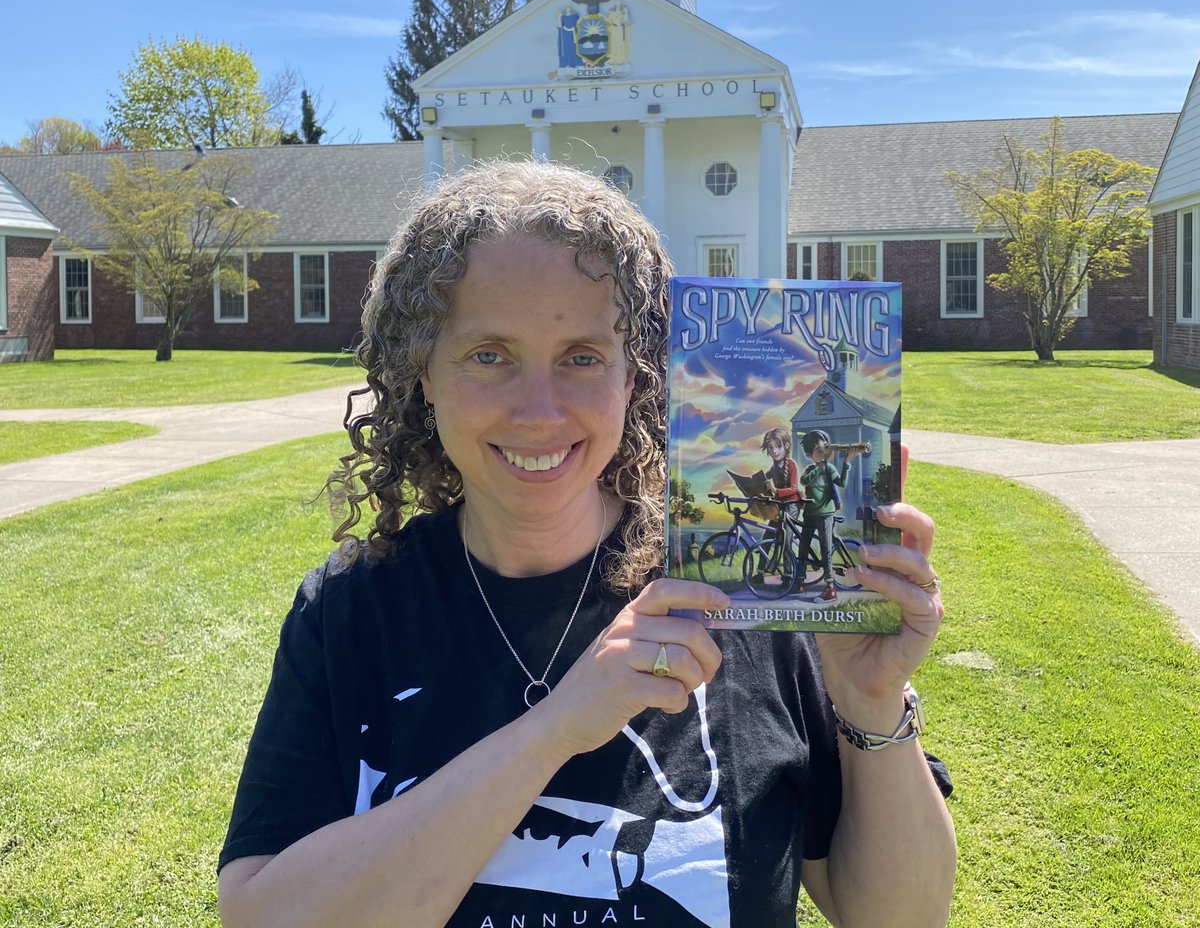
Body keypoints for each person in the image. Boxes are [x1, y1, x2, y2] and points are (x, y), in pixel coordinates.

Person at [218, 160, 955, 928]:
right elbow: (261, 914)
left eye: (581, 357)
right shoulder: (350, 613)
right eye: (489, 354)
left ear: (633, 377)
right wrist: (555, 730)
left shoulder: (744, 593)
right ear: (426, 374)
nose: (538, 412)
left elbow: (900, 918)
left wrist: (870, 705)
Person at [798, 430, 871, 603]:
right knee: (803, 546)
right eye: (819, 449)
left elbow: (842, 483)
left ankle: (830, 587)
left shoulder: (829, 468)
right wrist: (820, 467)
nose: (824, 451)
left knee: (826, 549)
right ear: (809, 454)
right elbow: (804, 481)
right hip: (809, 514)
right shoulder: (811, 469)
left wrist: (846, 463)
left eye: (825, 447)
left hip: (825, 514)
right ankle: (799, 581)